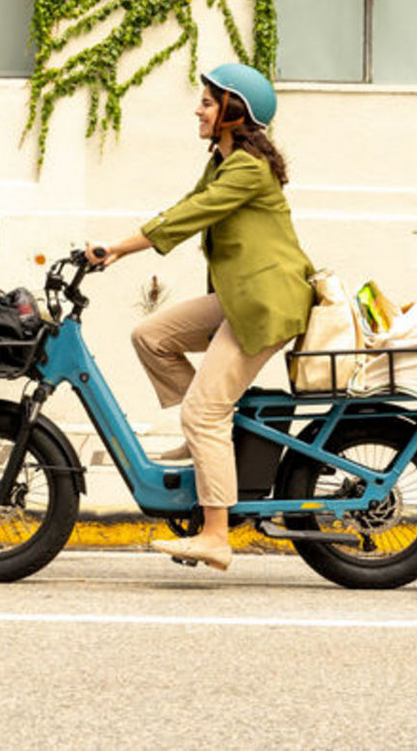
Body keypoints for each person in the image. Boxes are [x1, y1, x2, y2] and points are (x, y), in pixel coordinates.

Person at [87, 63, 315, 573]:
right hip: (240, 295)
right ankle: (206, 439)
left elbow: (193, 216)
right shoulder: (222, 161)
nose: (198, 110)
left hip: (266, 302)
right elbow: (186, 204)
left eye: (208, 103)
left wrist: (119, 248)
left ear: (233, 112)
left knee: (205, 412)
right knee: (152, 336)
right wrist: (120, 246)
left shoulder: (248, 169)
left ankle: (215, 535)